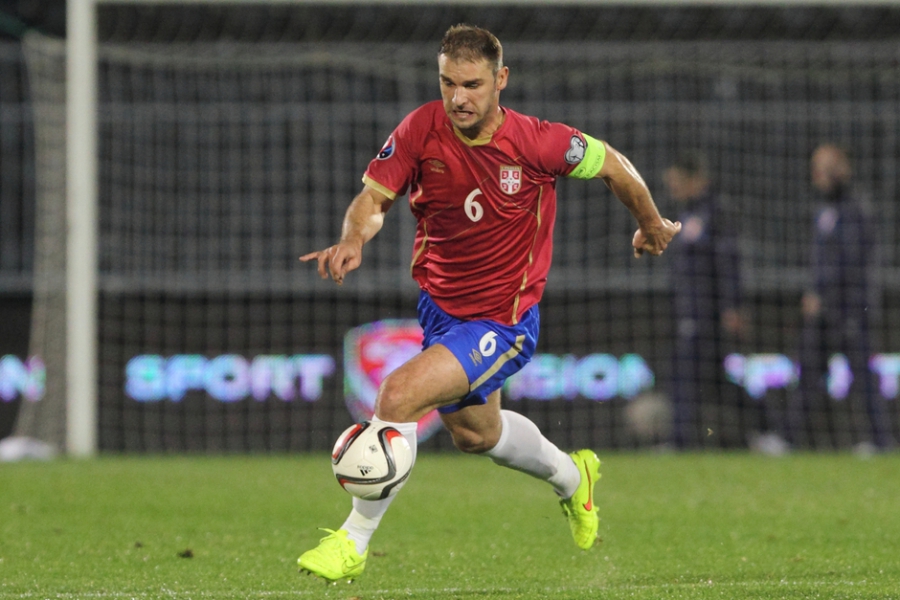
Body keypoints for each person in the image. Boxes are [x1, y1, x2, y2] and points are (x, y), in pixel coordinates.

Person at [298, 24, 681, 583]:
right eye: (448, 83)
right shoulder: (420, 128)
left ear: (501, 80)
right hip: (440, 311)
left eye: (472, 84)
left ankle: (352, 542)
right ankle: (574, 479)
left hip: (503, 322)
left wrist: (651, 223)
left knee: (397, 395)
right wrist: (353, 238)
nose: (458, 97)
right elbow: (373, 198)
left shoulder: (539, 142)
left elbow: (614, 166)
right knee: (478, 435)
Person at [662, 152, 776, 451]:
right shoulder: (686, 214)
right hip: (690, 309)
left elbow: (729, 263)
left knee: (688, 374)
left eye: (676, 182)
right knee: (714, 381)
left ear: (695, 179)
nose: (672, 189)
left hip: (709, 312)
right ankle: (767, 428)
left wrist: (731, 306)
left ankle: (679, 442)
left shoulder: (716, 212)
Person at [788, 143, 894, 452]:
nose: (816, 175)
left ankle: (880, 440)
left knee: (861, 374)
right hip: (825, 309)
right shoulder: (825, 209)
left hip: (850, 307)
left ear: (839, 170)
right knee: (809, 370)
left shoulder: (854, 209)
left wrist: (821, 294)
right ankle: (786, 437)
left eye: (822, 168)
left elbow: (849, 262)